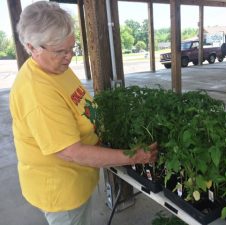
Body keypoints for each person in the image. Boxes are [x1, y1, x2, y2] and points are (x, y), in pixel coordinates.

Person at [9, 2, 158, 225]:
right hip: (61, 190)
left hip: (78, 178)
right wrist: (133, 156)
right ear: (32, 47)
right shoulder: (37, 93)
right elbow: (72, 152)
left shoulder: (57, 68)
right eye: (61, 51)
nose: (69, 57)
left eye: (73, 48)